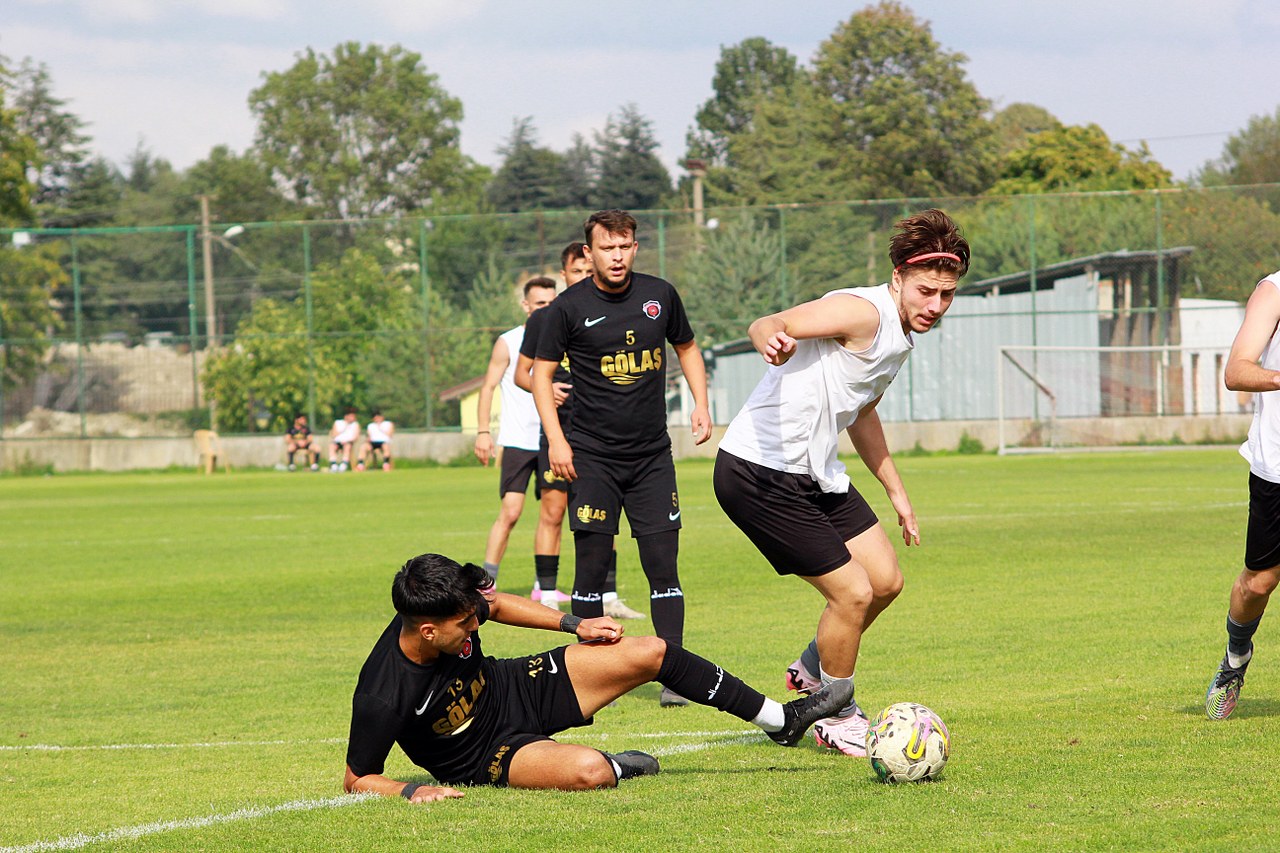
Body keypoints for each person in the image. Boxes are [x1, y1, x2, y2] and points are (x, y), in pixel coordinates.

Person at [713, 208, 970, 756]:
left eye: (947, 295)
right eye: (926, 291)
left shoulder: (900, 336)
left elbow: (864, 413)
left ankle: (812, 668)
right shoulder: (861, 312)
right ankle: (836, 710)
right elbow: (768, 321)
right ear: (898, 276)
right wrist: (771, 340)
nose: (935, 305)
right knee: (852, 593)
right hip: (759, 471)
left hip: (814, 472)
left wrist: (897, 493)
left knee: (885, 581)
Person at [342, 553, 852, 800]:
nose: (477, 622)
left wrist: (575, 623)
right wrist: (412, 792)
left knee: (652, 650)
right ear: (427, 633)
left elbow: (495, 605)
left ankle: (779, 720)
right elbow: (356, 778)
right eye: (465, 623)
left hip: (515, 686)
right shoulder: (382, 692)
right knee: (591, 773)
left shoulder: (448, 605)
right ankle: (621, 765)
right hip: (486, 756)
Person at [532, 210, 712, 707]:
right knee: (589, 567)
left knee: (662, 564)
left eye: (625, 246)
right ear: (588, 254)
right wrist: (557, 442)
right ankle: (591, 673)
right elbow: (541, 378)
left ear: (635, 247)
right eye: (607, 248)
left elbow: (688, 347)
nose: (617, 256)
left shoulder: (660, 295)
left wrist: (700, 402)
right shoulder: (566, 308)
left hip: (652, 457)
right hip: (592, 457)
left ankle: (675, 674)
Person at [514, 241, 645, 621]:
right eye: (578, 272)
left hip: (603, 434)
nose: (585, 278)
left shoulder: (615, 315)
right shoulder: (546, 318)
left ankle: (609, 596)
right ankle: (549, 595)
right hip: (560, 431)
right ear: (564, 276)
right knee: (553, 511)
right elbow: (523, 374)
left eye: (590, 272)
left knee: (604, 515)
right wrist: (545, 386)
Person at [1205, 267, 1280, 720]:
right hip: (1278, 467)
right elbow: (1237, 371)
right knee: (1260, 583)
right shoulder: (1275, 290)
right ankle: (1235, 658)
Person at [475, 278, 563, 601]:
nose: (547, 309)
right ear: (526, 306)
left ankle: (545, 585)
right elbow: (487, 387)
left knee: (553, 513)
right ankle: (487, 581)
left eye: (552, 303)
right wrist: (484, 431)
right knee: (511, 512)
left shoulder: (563, 337)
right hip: (517, 439)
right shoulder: (509, 342)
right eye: (540, 304)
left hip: (551, 439)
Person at [328, 407, 361, 472]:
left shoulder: (355, 424)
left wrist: (348, 441)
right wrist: (344, 427)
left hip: (348, 442)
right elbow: (333, 434)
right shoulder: (338, 422)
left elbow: (356, 437)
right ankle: (333, 464)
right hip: (338, 442)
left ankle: (344, 464)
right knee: (332, 446)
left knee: (347, 446)